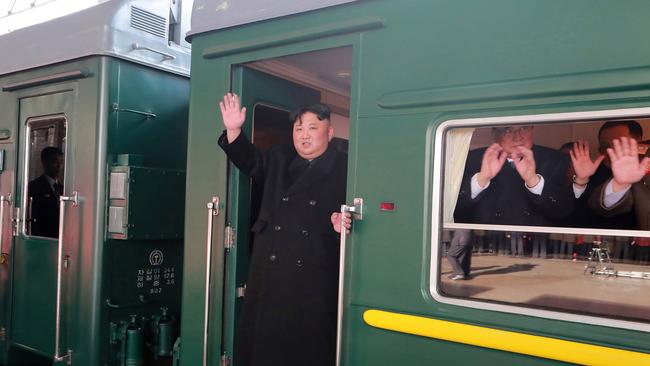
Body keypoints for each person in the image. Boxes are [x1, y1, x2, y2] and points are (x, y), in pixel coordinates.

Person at [218, 93, 350, 366]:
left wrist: (343, 226)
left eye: (313, 128)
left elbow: (356, 218)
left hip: (315, 272)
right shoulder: (280, 158)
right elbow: (250, 162)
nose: (304, 135)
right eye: (298, 128)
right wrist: (234, 130)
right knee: (266, 343)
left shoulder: (345, 168)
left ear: (330, 132)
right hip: (271, 269)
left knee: (307, 345)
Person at [454, 125, 574, 227]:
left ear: (532, 129)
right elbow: (451, 210)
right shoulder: (471, 158)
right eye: (508, 130)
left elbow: (566, 213)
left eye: (523, 128)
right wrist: (481, 179)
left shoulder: (556, 159)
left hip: (538, 247)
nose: (517, 137)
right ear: (496, 135)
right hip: (484, 245)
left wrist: (534, 181)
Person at [588, 136, 650, 230]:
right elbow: (599, 207)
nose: (612, 150)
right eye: (605, 146)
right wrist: (620, 185)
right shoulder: (637, 176)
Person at [28, 146, 64, 238]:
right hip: (41, 238)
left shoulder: (63, 189)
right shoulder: (33, 187)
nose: (59, 166)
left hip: (59, 238)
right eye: (55, 161)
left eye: (61, 162)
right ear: (45, 163)